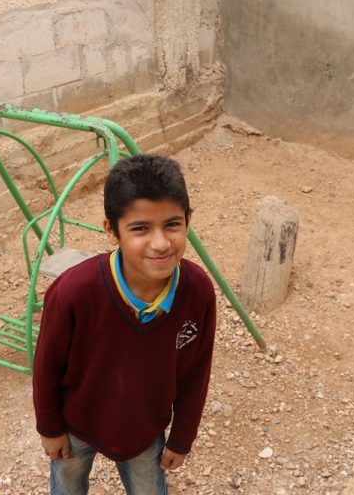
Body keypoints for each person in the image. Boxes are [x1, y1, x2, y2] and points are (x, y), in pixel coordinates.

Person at [33, 154, 217, 495]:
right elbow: (46, 366)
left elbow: (196, 372)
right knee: (67, 487)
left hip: (143, 431)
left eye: (172, 224)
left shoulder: (198, 292)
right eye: (140, 228)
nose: (161, 243)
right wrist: (50, 427)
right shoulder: (73, 292)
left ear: (188, 220)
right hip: (76, 424)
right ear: (111, 230)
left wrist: (182, 437)